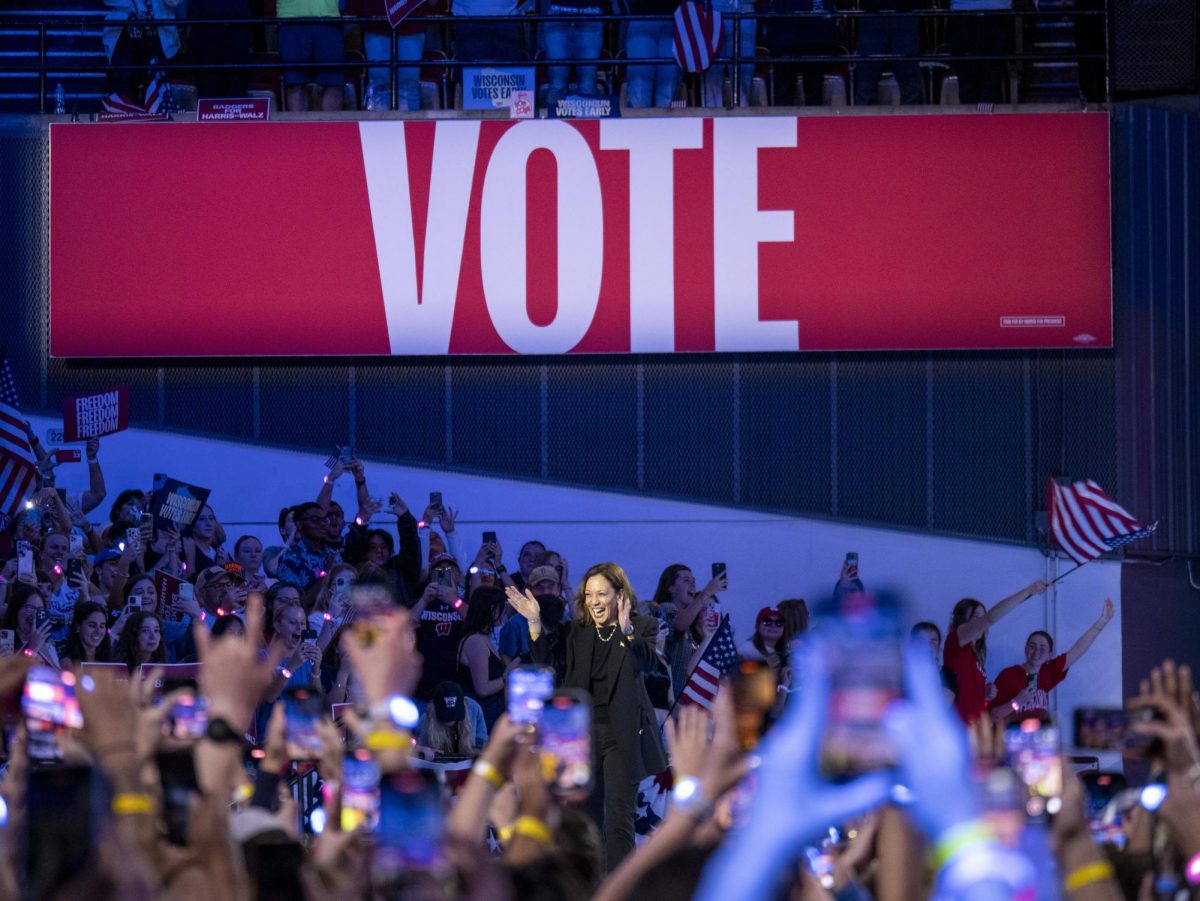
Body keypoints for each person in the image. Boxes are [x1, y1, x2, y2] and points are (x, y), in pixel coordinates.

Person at [507, 562, 668, 872]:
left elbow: (649, 664)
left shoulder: (643, 625)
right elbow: (544, 660)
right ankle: (590, 883)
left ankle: (617, 890)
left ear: (619, 596)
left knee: (618, 817)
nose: (594, 601)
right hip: (579, 735)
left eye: (602, 593)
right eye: (589, 594)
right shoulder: (574, 631)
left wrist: (627, 632)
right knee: (587, 818)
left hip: (623, 732)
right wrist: (534, 622)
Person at [989, 598, 1114, 723]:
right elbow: (992, 716)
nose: (1037, 651)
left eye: (1042, 648)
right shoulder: (1009, 675)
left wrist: (1101, 623)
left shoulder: (1047, 672)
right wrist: (1016, 702)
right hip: (1014, 739)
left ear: (1050, 655)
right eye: (1032, 646)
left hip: (1040, 738)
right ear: (1026, 649)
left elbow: (1078, 649)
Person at [942, 579, 1049, 723]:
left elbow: (966, 693)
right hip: (959, 729)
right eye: (976, 617)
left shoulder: (975, 655)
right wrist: (1029, 590)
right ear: (962, 620)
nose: (981, 622)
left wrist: (985, 693)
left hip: (977, 731)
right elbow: (991, 618)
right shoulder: (956, 638)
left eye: (982, 616)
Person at [456, 585, 513, 730]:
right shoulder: (476, 641)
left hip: (491, 713)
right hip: (483, 717)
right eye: (502, 607)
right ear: (493, 610)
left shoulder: (483, 638)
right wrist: (507, 676)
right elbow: (482, 688)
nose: (504, 611)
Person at [277, 0, 344, 111]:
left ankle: (331, 127)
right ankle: (298, 128)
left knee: (334, 82)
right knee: (295, 82)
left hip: (329, 19)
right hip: (291, 19)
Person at [623, 0, 680, 108]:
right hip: (641, 16)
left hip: (675, 19)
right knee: (639, 83)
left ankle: (666, 124)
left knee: (668, 85)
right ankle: (636, 124)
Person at [415, 680, 488, 757]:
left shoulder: (473, 709)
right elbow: (416, 746)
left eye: (455, 714)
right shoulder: (426, 719)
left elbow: (482, 742)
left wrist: (479, 752)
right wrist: (423, 750)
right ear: (434, 709)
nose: (450, 720)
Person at [1, 584, 60, 667]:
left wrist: (44, 650)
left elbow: (60, 677)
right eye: (30, 608)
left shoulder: (47, 646)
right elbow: (10, 677)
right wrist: (31, 649)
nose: (34, 614)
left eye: (39, 610)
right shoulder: (3, 643)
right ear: (16, 610)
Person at [60, 601, 114, 668]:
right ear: (78, 627)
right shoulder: (68, 663)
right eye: (92, 625)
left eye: (102, 626)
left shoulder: (110, 659)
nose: (98, 631)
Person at [737, 606, 786, 675]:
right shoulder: (747, 650)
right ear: (758, 625)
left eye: (779, 623)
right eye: (767, 622)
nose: (773, 625)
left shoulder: (783, 652)